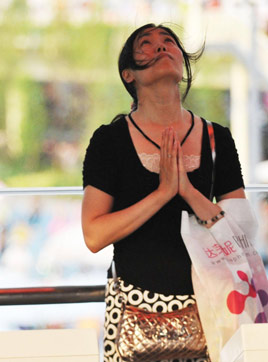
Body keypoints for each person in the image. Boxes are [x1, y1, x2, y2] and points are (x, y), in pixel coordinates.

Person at [81, 23, 245, 362]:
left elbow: (240, 232)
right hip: (136, 318)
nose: (161, 47)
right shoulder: (110, 141)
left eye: (168, 41)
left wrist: (186, 190)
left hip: (212, 313)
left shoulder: (217, 139)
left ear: (182, 65)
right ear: (129, 74)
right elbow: (94, 235)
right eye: (147, 44)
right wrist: (162, 193)